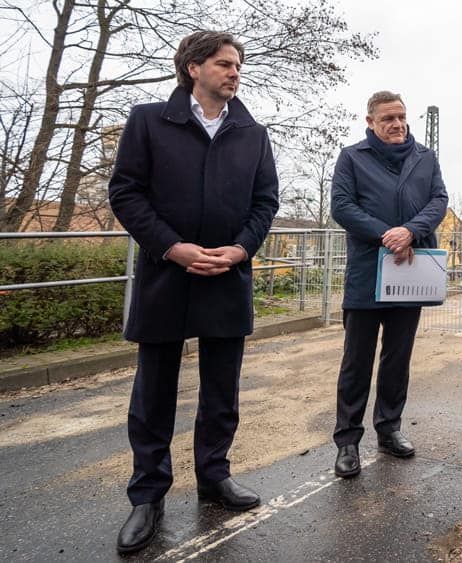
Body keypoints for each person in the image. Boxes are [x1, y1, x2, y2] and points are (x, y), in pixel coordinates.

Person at [108, 31, 279, 554]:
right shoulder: (148, 121)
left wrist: (241, 249)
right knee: (153, 393)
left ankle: (214, 475)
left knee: (221, 389)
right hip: (166, 275)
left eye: (238, 65)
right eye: (224, 64)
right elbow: (125, 193)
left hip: (226, 276)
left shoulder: (252, 134)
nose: (234, 72)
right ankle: (147, 495)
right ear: (193, 68)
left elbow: (265, 202)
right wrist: (171, 247)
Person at [330, 90, 448, 479]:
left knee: (398, 358)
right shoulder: (352, 157)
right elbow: (342, 206)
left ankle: (389, 428)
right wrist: (388, 235)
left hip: (410, 270)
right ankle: (348, 440)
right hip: (368, 272)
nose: (397, 124)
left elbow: (438, 200)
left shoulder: (425, 158)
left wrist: (411, 231)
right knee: (356, 361)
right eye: (387, 119)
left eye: (400, 117)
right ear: (370, 122)